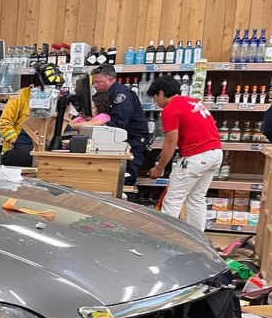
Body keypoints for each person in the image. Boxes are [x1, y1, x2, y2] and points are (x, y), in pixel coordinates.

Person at [146, 75, 222, 232]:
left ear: (160, 93)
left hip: (196, 156)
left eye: (155, 98)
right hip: (215, 153)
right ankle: (196, 240)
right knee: (197, 198)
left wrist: (159, 168)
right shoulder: (192, 102)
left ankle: (166, 239)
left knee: (173, 200)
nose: (156, 103)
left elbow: (170, 142)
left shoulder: (171, 109)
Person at [0, 62, 65, 167]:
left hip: (43, 147)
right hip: (17, 150)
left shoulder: (56, 99)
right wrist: (15, 141)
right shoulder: (20, 96)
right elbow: (5, 122)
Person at [91, 64, 148, 183]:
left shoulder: (122, 95)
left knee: (126, 180)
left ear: (110, 80)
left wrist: (97, 128)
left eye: (97, 82)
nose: (94, 85)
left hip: (133, 142)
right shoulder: (110, 93)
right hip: (123, 141)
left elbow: (119, 122)